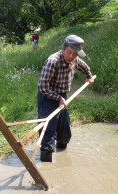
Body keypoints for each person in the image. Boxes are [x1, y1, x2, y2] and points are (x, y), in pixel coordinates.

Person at [37, 34, 95, 162]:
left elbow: (84, 67)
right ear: (62, 49)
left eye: (75, 54)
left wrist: (89, 75)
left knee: (64, 132)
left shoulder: (74, 60)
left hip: (62, 97)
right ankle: (46, 165)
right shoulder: (53, 61)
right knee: (48, 132)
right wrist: (58, 98)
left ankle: (62, 158)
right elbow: (43, 86)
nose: (71, 56)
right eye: (69, 52)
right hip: (48, 97)